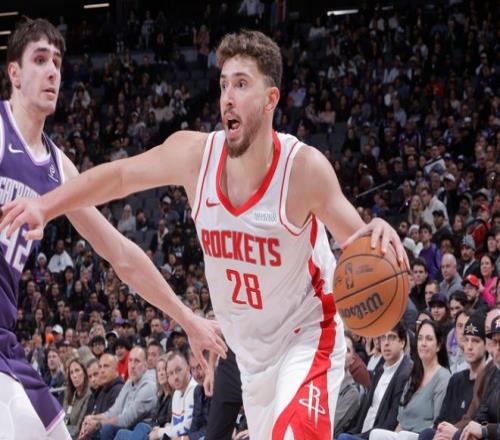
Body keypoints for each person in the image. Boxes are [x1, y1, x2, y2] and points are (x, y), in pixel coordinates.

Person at [0, 29, 406, 439]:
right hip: (251, 357)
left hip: (307, 338)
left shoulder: (303, 170)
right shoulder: (195, 156)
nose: (227, 97)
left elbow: (362, 244)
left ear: (270, 99)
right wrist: (45, 205)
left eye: (241, 84)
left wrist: (375, 233)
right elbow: (120, 176)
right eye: (223, 84)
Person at [0, 17, 225, 440]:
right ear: (14, 72)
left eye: (57, 62)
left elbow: (121, 254)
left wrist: (187, 319)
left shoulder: (57, 168)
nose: (52, 71)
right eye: (40, 60)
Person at [369, 319, 451, 440]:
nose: (423, 343)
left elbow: (438, 423)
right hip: (402, 435)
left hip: (423, 436)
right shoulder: (414, 374)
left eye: (429, 339)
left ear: (438, 346)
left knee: (403, 436)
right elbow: (401, 419)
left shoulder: (443, 377)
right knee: (376, 434)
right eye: (420, 338)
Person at [337, 323, 413, 440]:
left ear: (402, 342)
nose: (386, 343)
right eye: (383, 338)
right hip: (361, 433)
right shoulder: (380, 370)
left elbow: (390, 422)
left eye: (392, 337)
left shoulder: (405, 372)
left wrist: (360, 436)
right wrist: (355, 433)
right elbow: (367, 410)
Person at [63, 357, 92, 438]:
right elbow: (64, 420)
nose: (74, 375)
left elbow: (80, 427)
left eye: (77, 370)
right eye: (71, 373)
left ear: (84, 373)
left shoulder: (89, 394)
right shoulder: (69, 394)